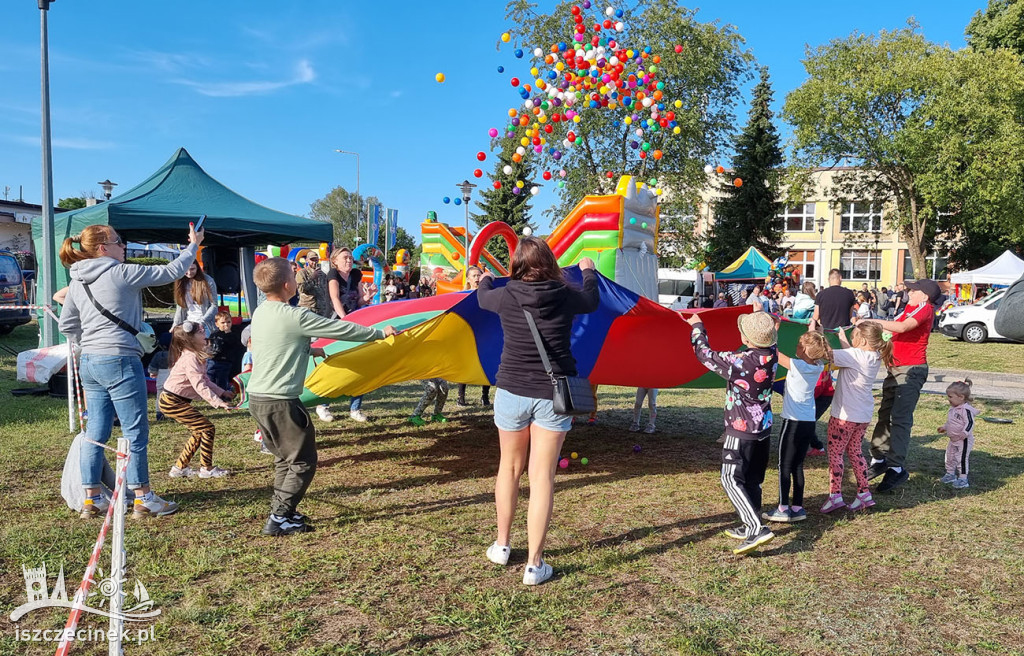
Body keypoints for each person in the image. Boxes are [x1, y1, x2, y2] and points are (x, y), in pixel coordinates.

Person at [58, 222, 203, 519]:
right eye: (119, 241)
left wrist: (89, 343)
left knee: (95, 432)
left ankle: (92, 499)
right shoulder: (122, 272)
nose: (124, 246)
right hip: (121, 359)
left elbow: (66, 325)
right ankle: (144, 498)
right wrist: (193, 244)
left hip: (90, 362)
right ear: (103, 248)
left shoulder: (76, 281)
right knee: (135, 430)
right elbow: (171, 271)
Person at [477, 237, 599, 585]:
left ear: (517, 265)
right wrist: (588, 272)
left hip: (511, 391)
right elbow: (591, 299)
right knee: (542, 477)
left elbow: (483, 296)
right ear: (549, 262)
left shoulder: (506, 294)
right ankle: (534, 564)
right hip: (552, 394)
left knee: (509, 469)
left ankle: (501, 545)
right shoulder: (565, 295)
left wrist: (485, 277)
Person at [246, 257, 396, 536]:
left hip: (258, 398)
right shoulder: (296, 316)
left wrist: (306, 349)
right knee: (303, 462)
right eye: (294, 273)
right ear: (288, 284)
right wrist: (379, 333)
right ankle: (279, 518)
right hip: (281, 402)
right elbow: (341, 329)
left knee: (284, 459)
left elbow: (276, 343)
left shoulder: (261, 312)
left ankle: (283, 511)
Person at [685, 310, 778, 555]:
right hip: (763, 428)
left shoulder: (740, 361)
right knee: (752, 479)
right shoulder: (773, 353)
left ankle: (756, 528)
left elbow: (703, 354)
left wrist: (697, 326)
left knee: (730, 479)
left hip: (740, 431)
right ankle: (750, 523)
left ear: (746, 339)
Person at [861, 279, 940, 492]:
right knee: (885, 413)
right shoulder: (907, 309)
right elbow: (892, 333)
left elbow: (903, 328)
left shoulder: (925, 308)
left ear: (924, 295)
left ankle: (896, 468)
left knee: (900, 418)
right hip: (894, 369)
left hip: (911, 370)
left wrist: (873, 321)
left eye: (914, 290)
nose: (909, 292)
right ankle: (879, 459)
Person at [820, 321, 892, 513]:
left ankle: (835, 495)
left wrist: (821, 335)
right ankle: (864, 493)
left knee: (835, 454)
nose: (851, 339)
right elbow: (851, 355)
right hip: (862, 414)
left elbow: (829, 354)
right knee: (855, 451)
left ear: (861, 339)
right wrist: (843, 339)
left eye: (853, 336)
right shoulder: (874, 355)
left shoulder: (854, 355)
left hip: (844, 415)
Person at [763, 327, 831, 523]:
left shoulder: (799, 365)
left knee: (784, 464)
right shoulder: (817, 365)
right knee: (797, 465)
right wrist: (812, 330)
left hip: (792, 423)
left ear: (806, 351)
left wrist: (773, 330)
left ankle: (783, 508)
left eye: (800, 345)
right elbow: (815, 346)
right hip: (808, 423)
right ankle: (798, 507)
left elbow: (774, 352)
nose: (796, 346)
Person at [161, 321, 235, 480]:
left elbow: (206, 380)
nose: (205, 334)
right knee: (207, 429)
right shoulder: (190, 358)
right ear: (190, 339)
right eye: (200, 332)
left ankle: (179, 468)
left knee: (199, 431)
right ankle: (206, 469)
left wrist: (223, 392)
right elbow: (199, 385)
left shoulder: (196, 355)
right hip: (172, 401)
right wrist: (218, 402)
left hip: (176, 400)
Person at [457, 266, 491, 407]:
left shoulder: (488, 294)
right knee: (464, 364)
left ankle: (485, 396)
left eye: (479, 275)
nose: (477, 278)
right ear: (468, 279)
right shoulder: (462, 295)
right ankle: (461, 397)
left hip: (484, 333)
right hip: (467, 335)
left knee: (485, 362)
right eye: (474, 276)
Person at [938, 380, 978, 489]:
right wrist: (945, 427)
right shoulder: (953, 409)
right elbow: (951, 422)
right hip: (953, 439)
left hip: (963, 440)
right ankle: (950, 474)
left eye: (950, 397)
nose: (948, 399)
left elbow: (970, 423)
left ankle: (963, 479)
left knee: (961, 458)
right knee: (950, 457)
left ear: (961, 397)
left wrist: (964, 433)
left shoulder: (966, 410)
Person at [172, 261, 218, 335]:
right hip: (188, 322)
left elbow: (214, 305)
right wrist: (175, 324)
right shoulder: (181, 282)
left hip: (205, 324)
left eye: (192, 269)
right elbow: (180, 306)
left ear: (197, 268)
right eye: (186, 270)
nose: (189, 273)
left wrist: (202, 322)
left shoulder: (208, 280)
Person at [206, 311, 241, 390]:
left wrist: (228, 332)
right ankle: (211, 391)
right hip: (213, 360)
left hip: (225, 361)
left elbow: (234, 344)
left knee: (221, 379)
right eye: (223, 323)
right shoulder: (214, 334)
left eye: (228, 322)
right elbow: (209, 345)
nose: (226, 324)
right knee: (210, 376)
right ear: (217, 324)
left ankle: (224, 392)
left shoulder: (232, 334)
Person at [147, 333, 173, 422]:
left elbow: (152, 368)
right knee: (173, 397)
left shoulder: (159, 355)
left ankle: (159, 413)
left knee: (160, 396)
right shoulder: (177, 354)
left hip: (161, 377)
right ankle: (172, 413)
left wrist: (152, 373)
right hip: (173, 378)